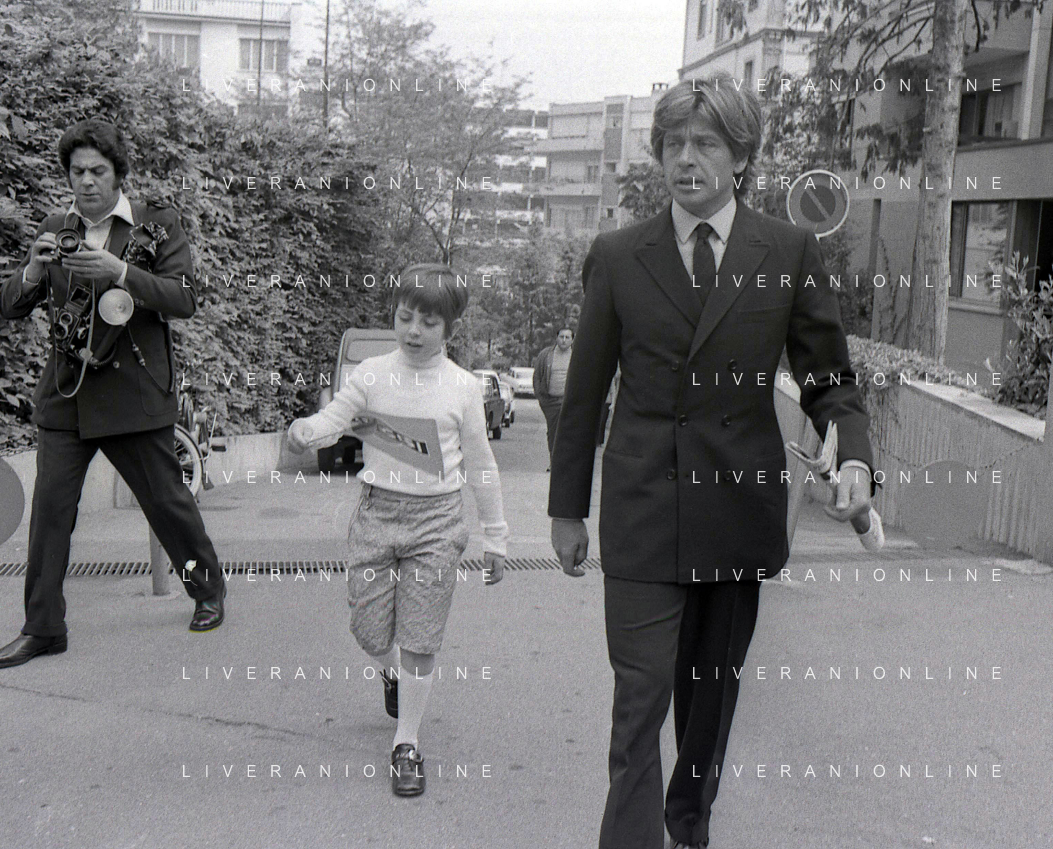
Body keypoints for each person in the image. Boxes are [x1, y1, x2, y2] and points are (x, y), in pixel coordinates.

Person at [548, 77, 875, 849]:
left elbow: (829, 380)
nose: (684, 159)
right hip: (641, 509)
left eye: (704, 144)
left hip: (735, 509)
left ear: (741, 157)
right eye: (672, 144)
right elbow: (584, 392)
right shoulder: (618, 256)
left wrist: (854, 458)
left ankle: (687, 825)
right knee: (639, 701)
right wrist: (567, 509)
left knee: (707, 704)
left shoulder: (787, 251)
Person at [0, 119, 226, 670]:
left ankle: (208, 589)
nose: (87, 181)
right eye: (77, 172)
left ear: (119, 174)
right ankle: (43, 628)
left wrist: (120, 270)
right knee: (50, 515)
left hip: (133, 392)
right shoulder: (56, 226)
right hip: (67, 396)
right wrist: (32, 271)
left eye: (98, 171)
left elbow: (184, 300)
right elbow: (8, 307)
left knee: (167, 504)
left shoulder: (156, 224)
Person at [285, 264, 508, 797]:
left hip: (438, 522)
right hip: (377, 514)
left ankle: (406, 743)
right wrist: (306, 430)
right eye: (405, 317)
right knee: (369, 631)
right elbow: (336, 419)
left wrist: (496, 536)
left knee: (421, 636)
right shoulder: (371, 374)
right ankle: (391, 674)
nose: (413, 330)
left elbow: (481, 465)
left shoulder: (462, 388)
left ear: (449, 328)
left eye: (428, 322)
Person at [533, 327, 575, 464]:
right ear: (556, 338)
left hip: (569, 402)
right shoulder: (546, 355)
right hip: (550, 402)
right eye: (561, 337)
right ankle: (554, 461)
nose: (564, 340)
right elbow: (537, 376)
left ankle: (565, 462)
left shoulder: (577, 356)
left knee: (568, 431)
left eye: (567, 337)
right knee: (553, 432)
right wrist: (541, 397)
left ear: (572, 340)